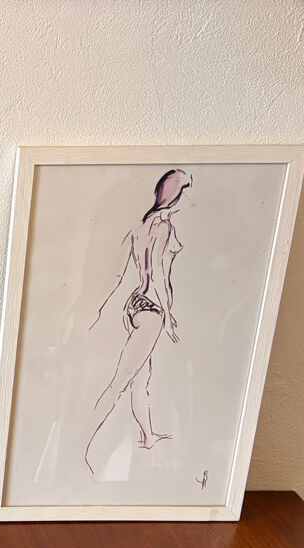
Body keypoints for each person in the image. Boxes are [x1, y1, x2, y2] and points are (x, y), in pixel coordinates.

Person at [84, 168, 191, 475]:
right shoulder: (163, 226)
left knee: (140, 379)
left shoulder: (142, 225)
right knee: (121, 381)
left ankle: (147, 434)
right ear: (176, 195)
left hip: (135, 304)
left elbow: (122, 272)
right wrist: (169, 316)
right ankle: (82, 445)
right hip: (153, 307)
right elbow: (157, 273)